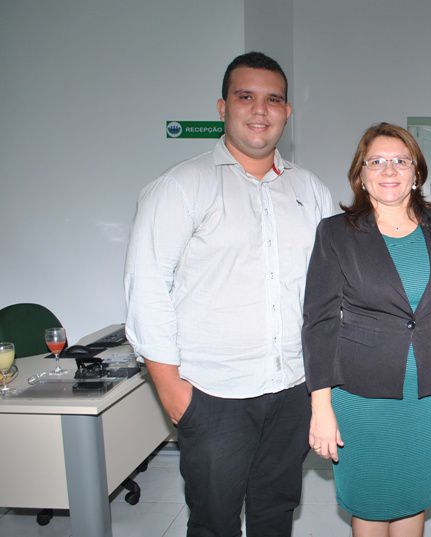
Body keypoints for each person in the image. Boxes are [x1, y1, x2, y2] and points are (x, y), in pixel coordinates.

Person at [124, 51, 333, 536]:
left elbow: (326, 291)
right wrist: (173, 392)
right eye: (246, 97)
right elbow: (147, 288)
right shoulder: (179, 188)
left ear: (287, 112)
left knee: (275, 513)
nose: (260, 110)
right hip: (213, 395)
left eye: (273, 100)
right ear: (223, 107)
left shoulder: (311, 191)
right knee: (214, 522)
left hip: (292, 390)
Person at [302, 123, 431, 537]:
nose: (389, 170)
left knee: (415, 500)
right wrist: (321, 409)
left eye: (400, 161)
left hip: (429, 395)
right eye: (376, 161)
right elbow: (318, 324)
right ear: (361, 174)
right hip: (361, 397)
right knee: (370, 504)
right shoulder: (335, 234)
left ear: (416, 172)